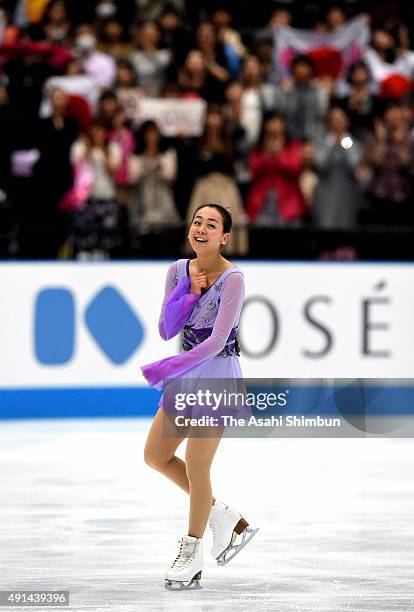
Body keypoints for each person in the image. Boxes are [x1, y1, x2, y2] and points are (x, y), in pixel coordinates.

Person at [140, 204, 258, 590]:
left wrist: (170, 367)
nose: (201, 229)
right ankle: (223, 516)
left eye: (212, 225)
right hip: (186, 378)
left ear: (225, 236)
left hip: (216, 377)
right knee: (155, 455)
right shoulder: (176, 270)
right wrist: (188, 293)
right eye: (197, 221)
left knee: (196, 465)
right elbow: (165, 328)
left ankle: (192, 553)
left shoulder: (234, 279)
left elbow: (217, 341)